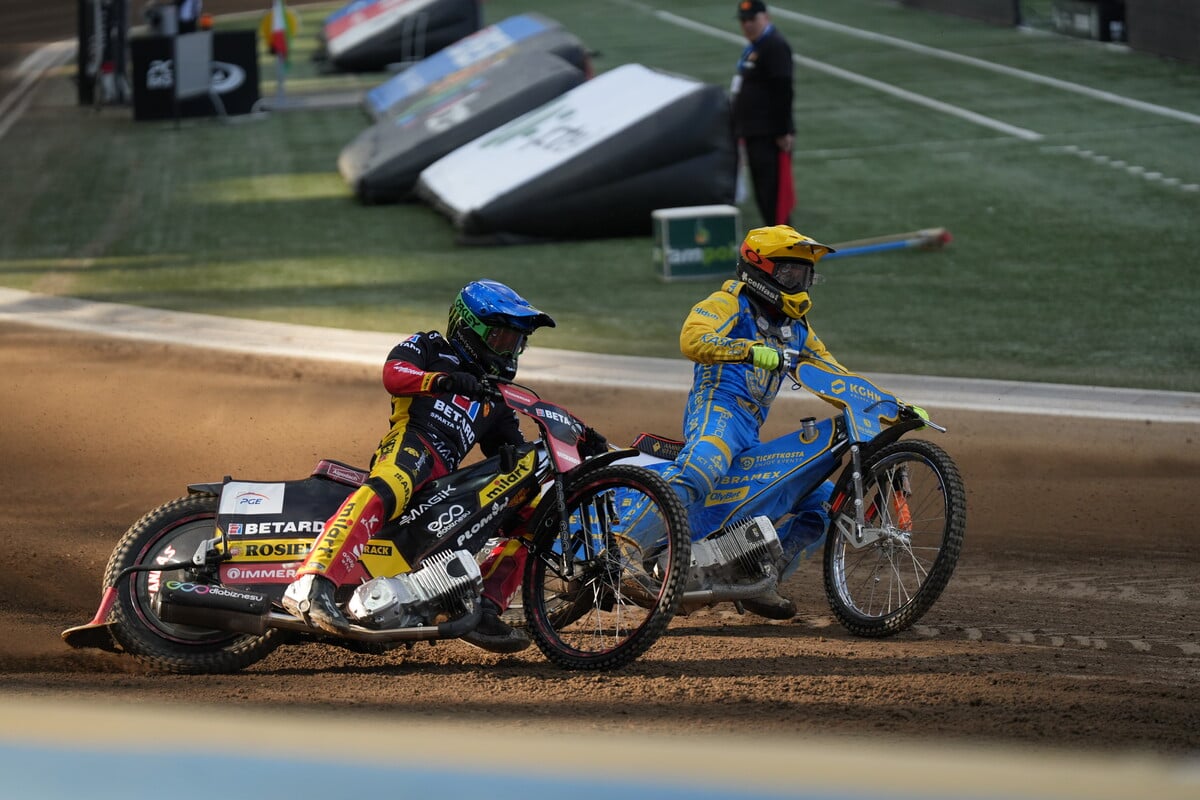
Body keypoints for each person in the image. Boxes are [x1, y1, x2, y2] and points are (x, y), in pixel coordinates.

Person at [282, 279, 556, 654]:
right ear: (469, 329)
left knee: (534, 514)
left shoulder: (493, 397)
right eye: (501, 338)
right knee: (393, 482)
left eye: (516, 342)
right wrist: (441, 380)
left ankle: (483, 608)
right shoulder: (430, 346)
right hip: (411, 445)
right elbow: (393, 374)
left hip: (446, 484)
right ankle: (313, 583)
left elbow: (510, 448)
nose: (509, 350)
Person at [660, 225, 899, 620]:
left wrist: (888, 405)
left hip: (750, 434)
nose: (798, 283)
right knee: (702, 467)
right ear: (759, 269)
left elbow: (835, 377)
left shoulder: (797, 330)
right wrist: (750, 350)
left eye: (804, 275)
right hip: (717, 413)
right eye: (789, 273)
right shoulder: (727, 303)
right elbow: (692, 338)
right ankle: (625, 546)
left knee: (826, 506)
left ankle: (757, 575)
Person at [732, 0, 795, 227]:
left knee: (774, 198)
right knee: (763, 193)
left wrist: (782, 131)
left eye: (752, 19)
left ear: (766, 17)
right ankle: (773, 238)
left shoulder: (774, 46)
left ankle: (783, 243)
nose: (747, 25)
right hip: (755, 132)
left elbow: (783, 90)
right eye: (743, 20)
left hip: (769, 135)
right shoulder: (756, 47)